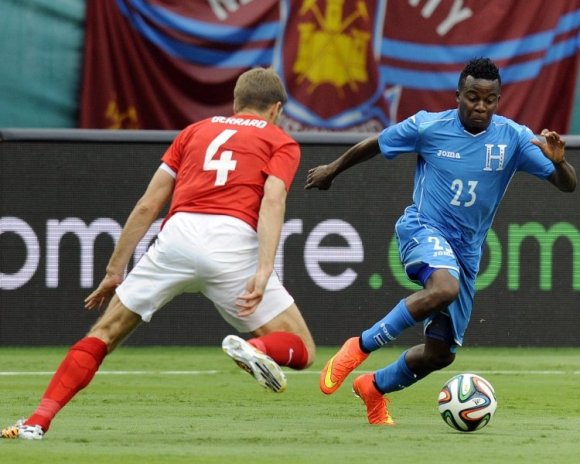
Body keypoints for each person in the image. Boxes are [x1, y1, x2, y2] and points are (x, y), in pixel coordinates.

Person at [1, 67, 316, 440]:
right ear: (276, 108)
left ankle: (37, 422)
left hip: (177, 237)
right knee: (303, 348)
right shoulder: (281, 141)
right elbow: (273, 200)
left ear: (235, 102)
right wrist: (264, 270)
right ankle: (255, 347)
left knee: (104, 333)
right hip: (232, 242)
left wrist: (115, 270)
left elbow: (148, 205)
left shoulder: (193, 132)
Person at [305, 57, 576, 425]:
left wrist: (559, 163)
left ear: (498, 100)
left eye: (489, 99)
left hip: (466, 251)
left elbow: (568, 184)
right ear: (457, 96)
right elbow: (377, 143)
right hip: (423, 229)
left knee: (440, 354)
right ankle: (359, 347)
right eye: (472, 97)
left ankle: (373, 387)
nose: (480, 106)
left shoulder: (513, 137)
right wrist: (331, 170)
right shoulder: (429, 126)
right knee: (444, 288)